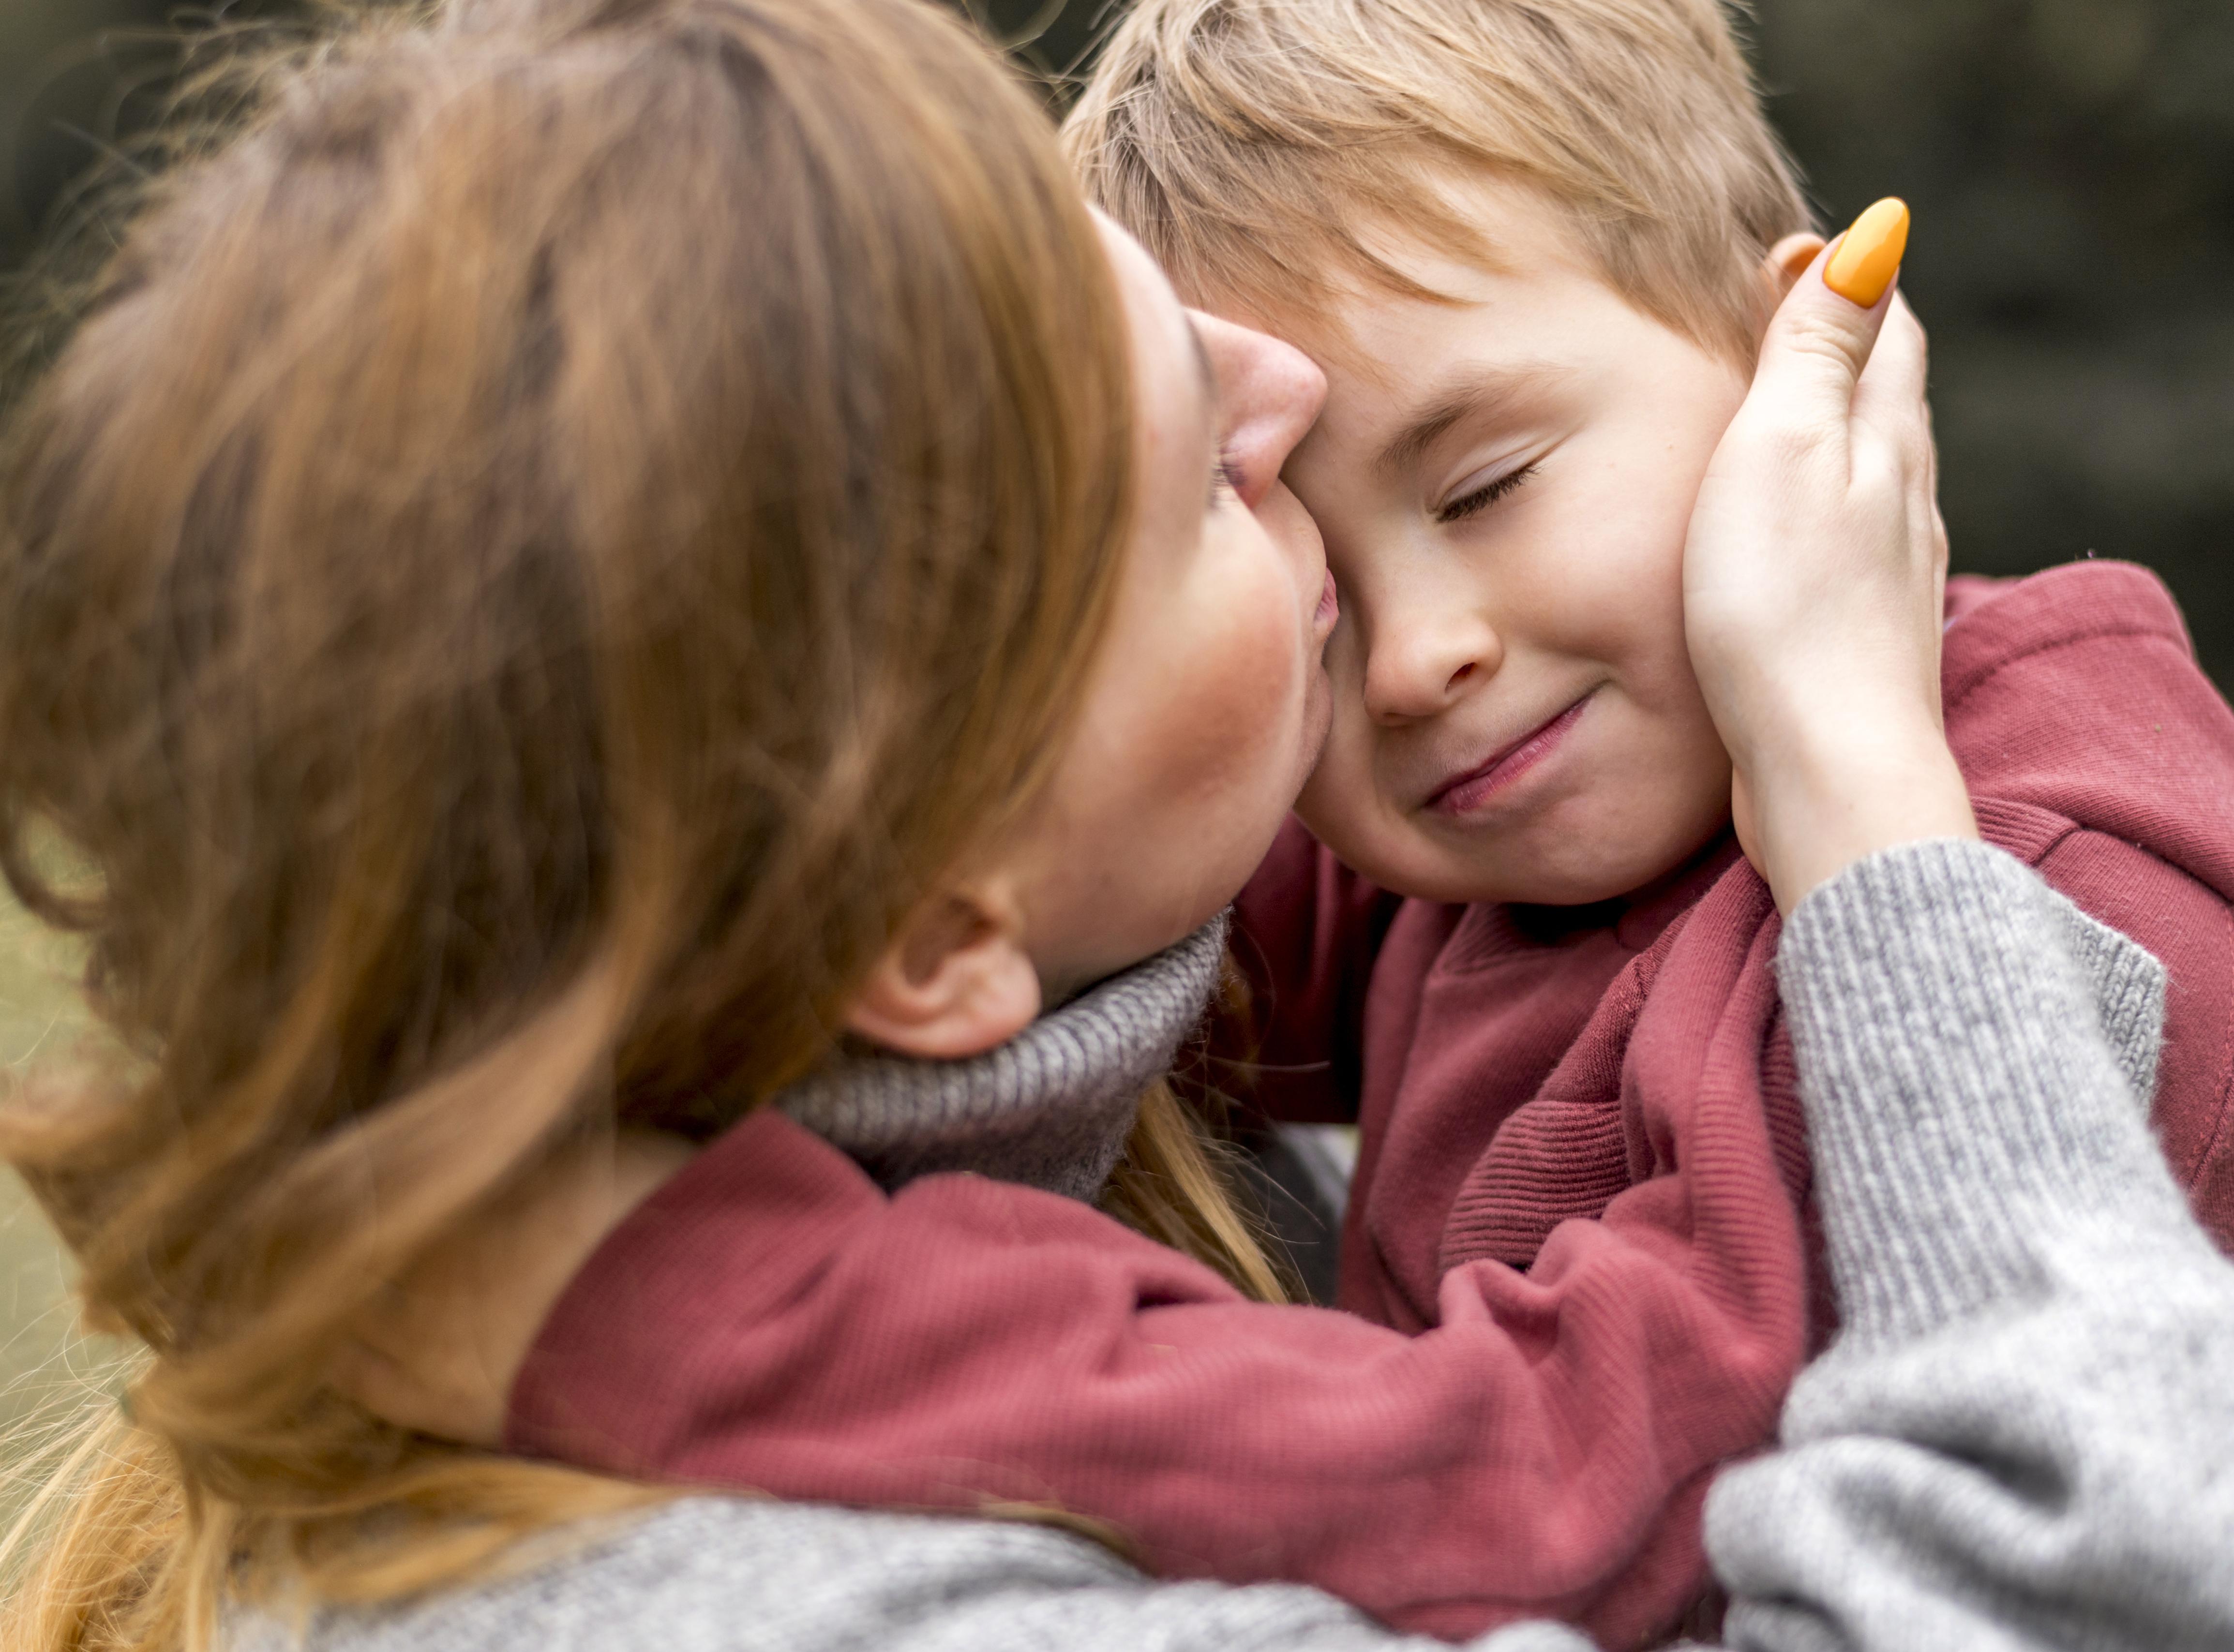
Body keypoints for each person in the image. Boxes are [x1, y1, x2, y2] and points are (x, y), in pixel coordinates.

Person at [5, 4, 2232, 1652]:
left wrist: (1874, 806)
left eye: (1479, 477)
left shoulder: (2060, 869)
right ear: (929, 930)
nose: (1278, 391)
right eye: (1208, 483)